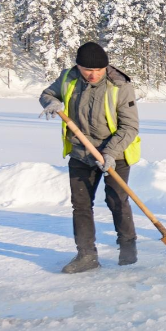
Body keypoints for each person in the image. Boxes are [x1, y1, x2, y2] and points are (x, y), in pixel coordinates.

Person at [40, 42, 142, 273]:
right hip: (80, 152)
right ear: (78, 66)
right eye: (88, 70)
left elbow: (130, 126)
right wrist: (51, 102)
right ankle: (86, 256)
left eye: (99, 70)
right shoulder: (68, 78)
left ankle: (128, 253)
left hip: (116, 152)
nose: (94, 74)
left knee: (117, 201)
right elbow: (48, 93)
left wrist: (110, 153)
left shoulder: (120, 86)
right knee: (81, 205)